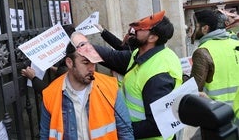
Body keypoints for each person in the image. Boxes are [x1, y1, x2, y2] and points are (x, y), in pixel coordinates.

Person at [94, 10, 183, 139]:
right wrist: (81, 45)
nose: (133, 31)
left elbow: (157, 125)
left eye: (140, 29)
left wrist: (121, 131)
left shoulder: (158, 75)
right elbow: (112, 56)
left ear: (152, 38)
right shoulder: (140, 54)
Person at [40, 32, 134, 140]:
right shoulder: (50, 94)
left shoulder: (110, 87)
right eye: (85, 63)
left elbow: (125, 131)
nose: (91, 68)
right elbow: (45, 135)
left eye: (93, 62)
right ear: (70, 63)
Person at [190, 9, 239, 104]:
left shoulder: (202, 51)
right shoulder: (236, 43)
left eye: (193, 25)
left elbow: (193, 89)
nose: (190, 29)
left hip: (218, 113)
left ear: (205, 28)